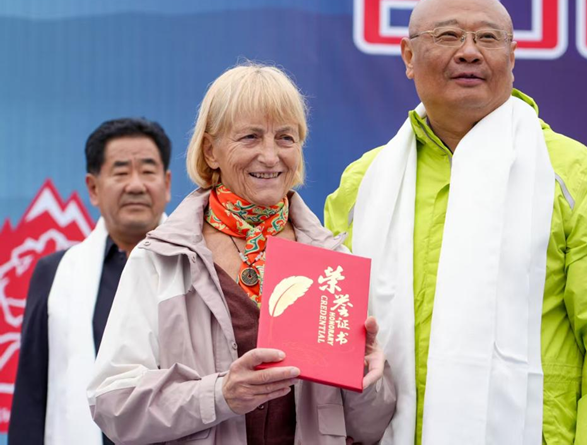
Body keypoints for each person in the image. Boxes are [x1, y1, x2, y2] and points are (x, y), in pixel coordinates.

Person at [324, 0, 587, 444]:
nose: (470, 52)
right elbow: (333, 331)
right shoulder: (365, 182)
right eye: (448, 36)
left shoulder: (579, 177)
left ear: (512, 58)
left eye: (489, 38)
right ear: (408, 56)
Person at [87, 64, 396, 445]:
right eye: (250, 137)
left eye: (285, 138)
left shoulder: (333, 263)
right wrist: (220, 396)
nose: (270, 156)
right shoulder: (162, 259)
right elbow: (113, 404)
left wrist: (365, 381)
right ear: (210, 151)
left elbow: (370, 428)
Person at [9, 118, 172, 445]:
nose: (136, 185)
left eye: (148, 171)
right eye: (121, 173)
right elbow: (31, 393)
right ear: (94, 188)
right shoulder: (57, 273)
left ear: (167, 184)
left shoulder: (199, 265)